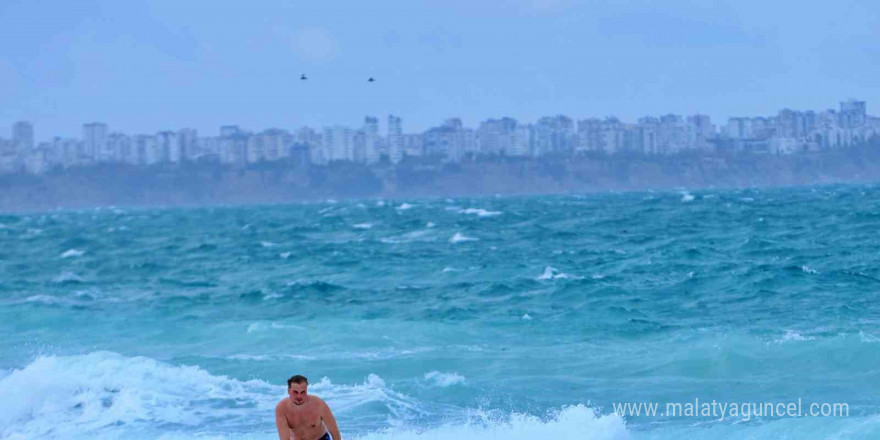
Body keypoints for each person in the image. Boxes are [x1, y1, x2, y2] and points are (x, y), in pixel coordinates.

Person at [275, 375, 342, 440]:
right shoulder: (282, 408)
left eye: (303, 392)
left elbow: (335, 432)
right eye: (295, 392)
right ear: (289, 391)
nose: (299, 396)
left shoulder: (318, 404)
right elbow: (284, 438)